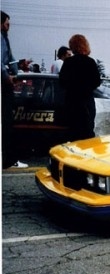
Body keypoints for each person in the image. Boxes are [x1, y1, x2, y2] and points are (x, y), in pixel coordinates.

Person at [59, 34, 101, 141]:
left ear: (72, 46)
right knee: (87, 132)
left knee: (73, 133)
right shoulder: (90, 62)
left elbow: (62, 82)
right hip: (87, 102)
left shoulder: (68, 62)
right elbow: (97, 81)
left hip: (72, 102)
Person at [1, 11, 28, 169]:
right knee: (6, 124)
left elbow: (10, 59)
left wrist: (19, 68)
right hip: (3, 84)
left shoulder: (4, 38)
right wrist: (7, 76)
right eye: (6, 23)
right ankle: (8, 160)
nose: (8, 26)